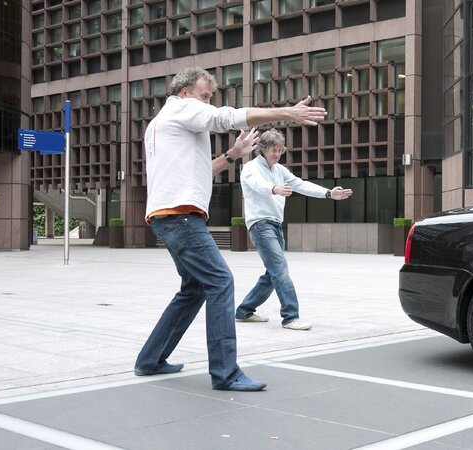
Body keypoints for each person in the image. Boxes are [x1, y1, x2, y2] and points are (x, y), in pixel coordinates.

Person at [134, 67, 326, 391]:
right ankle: (226, 373)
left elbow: (200, 172)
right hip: (182, 217)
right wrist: (287, 112)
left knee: (194, 289)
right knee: (221, 281)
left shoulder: (161, 125)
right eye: (204, 95)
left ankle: (150, 359)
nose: (208, 102)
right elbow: (228, 117)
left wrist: (232, 155)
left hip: (168, 216)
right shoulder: (182, 108)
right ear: (184, 93)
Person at [235, 128, 353, 331]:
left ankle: (244, 311)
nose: (277, 154)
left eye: (280, 150)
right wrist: (274, 189)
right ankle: (290, 317)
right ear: (262, 149)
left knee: (272, 274)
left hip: (275, 225)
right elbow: (256, 184)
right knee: (280, 271)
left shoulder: (280, 170)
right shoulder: (251, 168)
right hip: (260, 225)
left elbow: (300, 184)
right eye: (273, 150)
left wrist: (328, 194)